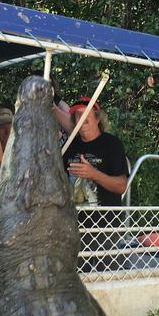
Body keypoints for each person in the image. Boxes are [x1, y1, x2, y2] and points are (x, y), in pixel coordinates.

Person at [62, 96, 128, 272]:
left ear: (98, 118)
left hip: (105, 226)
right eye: (77, 115)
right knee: (73, 277)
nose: (81, 119)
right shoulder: (69, 146)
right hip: (73, 227)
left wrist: (93, 174)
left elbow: (122, 185)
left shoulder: (112, 144)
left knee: (108, 277)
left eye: (85, 114)